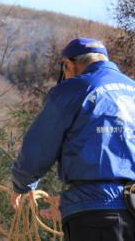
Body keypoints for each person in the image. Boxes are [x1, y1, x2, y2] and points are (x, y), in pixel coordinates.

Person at [10, 37, 135, 240]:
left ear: (68, 64)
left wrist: (22, 186)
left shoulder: (74, 89)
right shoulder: (132, 89)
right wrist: (72, 200)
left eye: (65, 72)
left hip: (97, 218)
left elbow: (38, 148)